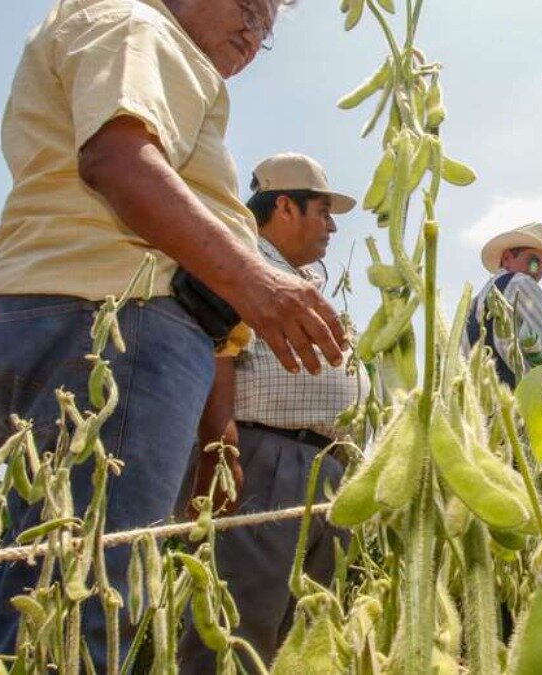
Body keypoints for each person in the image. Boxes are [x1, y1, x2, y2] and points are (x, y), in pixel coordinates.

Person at [0, 0, 346, 666]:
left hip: (107, 326)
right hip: (108, 325)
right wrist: (255, 281)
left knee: (53, 572)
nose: (252, 31)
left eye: (265, 29)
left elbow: (193, 289)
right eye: (247, 6)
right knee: (89, 593)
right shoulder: (138, 25)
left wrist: (218, 432)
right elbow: (118, 161)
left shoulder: (161, 55)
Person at [179, 154, 365, 671]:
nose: (331, 226)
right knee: (239, 627)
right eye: (323, 211)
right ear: (284, 205)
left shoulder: (289, 277)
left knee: (299, 637)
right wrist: (222, 446)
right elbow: (217, 349)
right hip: (263, 461)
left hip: (318, 468)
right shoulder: (241, 264)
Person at [464, 222, 542, 388]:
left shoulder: (475, 302)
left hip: (478, 400)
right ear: (507, 259)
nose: (539, 270)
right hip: (514, 400)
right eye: (533, 262)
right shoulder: (521, 282)